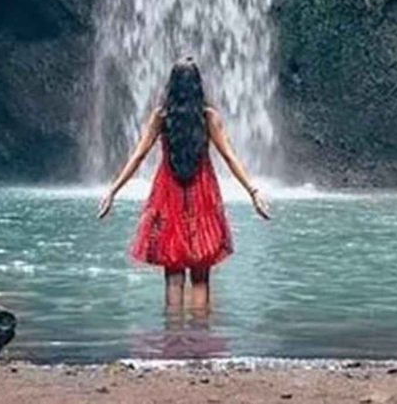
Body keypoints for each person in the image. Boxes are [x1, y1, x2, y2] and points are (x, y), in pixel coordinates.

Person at [96, 55, 272, 311]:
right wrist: (253, 192)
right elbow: (229, 156)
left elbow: (138, 156)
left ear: (172, 86)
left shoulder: (161, 117)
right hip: (203, 194)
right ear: (198, 86)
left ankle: (173, 334)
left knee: (173, 276)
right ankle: (200, 333)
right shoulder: (209, 117)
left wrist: (113, 191)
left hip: (168, 194)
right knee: (201, 277)